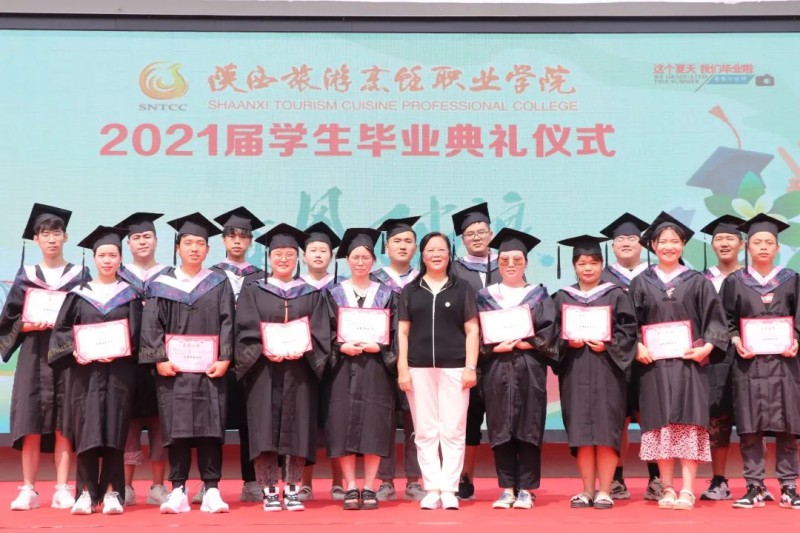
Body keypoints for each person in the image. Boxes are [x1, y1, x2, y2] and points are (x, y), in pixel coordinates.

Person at [629, 212, 728, 511]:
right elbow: (628, 323)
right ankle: (667, 488)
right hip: (654, 367)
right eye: (663, 241)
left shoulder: (697, 281)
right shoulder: (641, 282)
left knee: (688, 425)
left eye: (675, 241)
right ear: (653, 245)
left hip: (689, 366)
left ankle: (687, 489)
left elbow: (715, 319)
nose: (669, 246)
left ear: (683, 245)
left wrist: (706, 348)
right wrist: (637, 345)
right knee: (660, 426)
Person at [139, 213, 235, 514]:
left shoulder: (218, 283)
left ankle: (212, 489)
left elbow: (228, 322)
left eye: (200, 244)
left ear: (208, 249)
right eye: (189, 243)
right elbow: (151, 325)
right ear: (177, 247)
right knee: (176, 428)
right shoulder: (161, 285)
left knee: (211, 428)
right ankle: (178, 489)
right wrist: (159, 358)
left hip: (210, 370)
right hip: (174, 370)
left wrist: (225, 357)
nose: (194, 248)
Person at [234, 223, 331, 512]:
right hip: (264, 370)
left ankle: (292, 489)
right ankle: (268, 491)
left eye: (290, 254)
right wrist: (263, 348)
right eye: (278, 254)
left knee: (297, 428)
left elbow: (320, 332)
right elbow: (244, 329)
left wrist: (304, 350)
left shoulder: (310, 293)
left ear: (298, 258)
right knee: (264, 429)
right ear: (269, 257)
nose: (284, 259)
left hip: (299, 370)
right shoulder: (254, 291)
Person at [48, 226, 142, 515]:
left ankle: (112, 492)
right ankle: (86, 493)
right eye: (102, 255)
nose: (107, 260)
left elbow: (139, 334)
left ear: (120, 258)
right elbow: (61, 332)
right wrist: (75, 351)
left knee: (115, 430)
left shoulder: (129, 295)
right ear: (94, 258)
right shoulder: (79, 295)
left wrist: (123, 349)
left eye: (113, 255)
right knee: (87, 432)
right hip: (85, 375)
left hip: (118, 374)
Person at [1, 203, 86, 511]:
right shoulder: (26, 276)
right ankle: (28, 488)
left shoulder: (79, 275)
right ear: (35, 239)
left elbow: (88, 316)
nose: (51, 239)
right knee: (31, 420)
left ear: (66, 237)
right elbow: (8, 320)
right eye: (45, 234)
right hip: (34, 355)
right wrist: (25, 325)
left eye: (57, 233)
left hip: (66, 356)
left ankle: (63, 487)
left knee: (65, 422)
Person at [721, 214, 800, 509]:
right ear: (748, 247)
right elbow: (725, 320)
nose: (763, 247)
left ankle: (789, 486)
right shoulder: (735, 282)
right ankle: (754, 485)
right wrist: (736, 341)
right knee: (749, 425)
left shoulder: (791, 279)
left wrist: (797, 340)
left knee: (788, 425)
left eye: (769, 242)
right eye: (757, 242)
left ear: (778, 248)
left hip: (785, 365)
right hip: (749, 365)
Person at [397, 231, 480, 511]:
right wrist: (403, 368)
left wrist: (470, 367)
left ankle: (450, 488)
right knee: (425, 430)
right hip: (418, 368)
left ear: (449, 254)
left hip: (455, 367)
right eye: (430, 250)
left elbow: (472, 330)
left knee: (454, 429)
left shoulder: (463, 288)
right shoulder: (411, 290)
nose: (436, 254)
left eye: (441, 249)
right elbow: (403, 332)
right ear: (422, 255)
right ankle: (432, 487)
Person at [554, 235, 638, 510]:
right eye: (582, 263)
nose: (587, 268)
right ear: (574, 266)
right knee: (581, 431)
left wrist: (608, 345)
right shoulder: (563, 297)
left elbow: (629, 332)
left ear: (602, 264)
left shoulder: (616, 295)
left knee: (606, 430)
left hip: (607, 372)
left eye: (593, 262)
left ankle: (605, 490)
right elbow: (552, 333)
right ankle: (587, 490)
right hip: (575, 371)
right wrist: (567, 342)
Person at [478, 228, 557, 510]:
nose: (510, 265)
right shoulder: (484, 297)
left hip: (528, 368)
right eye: (504, 260)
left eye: (517, 260)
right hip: (496, 369)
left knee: (529, 426)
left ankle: (526, 489)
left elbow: (549, 331)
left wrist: (529, 343)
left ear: (526, 263)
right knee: (500, 427)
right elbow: (475, 334)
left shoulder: (538, 295)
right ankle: (507, 488)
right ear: (497, 263)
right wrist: (491, 348)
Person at [324, 228, 397, 511]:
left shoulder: (387, 295)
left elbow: (395, 333)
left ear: (373, 261)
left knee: (374, 426)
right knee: (342, 425)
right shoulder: (333, 293)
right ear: (347, 260)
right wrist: (340, 346)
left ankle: (369, 486)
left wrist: (380, 347)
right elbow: (323, 331)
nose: (360, 262)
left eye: (366, 257)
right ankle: (350, 486)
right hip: (343, 368)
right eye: (355, 257)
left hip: (376, 369)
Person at [598, 212, 663, 501]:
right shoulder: (601, 277)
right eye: (620, 239)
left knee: (651, 417)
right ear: (612, 245)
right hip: (613, 359)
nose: (626, 243)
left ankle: (656, 478)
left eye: (632, 238)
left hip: (652, 357)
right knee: (618, 418)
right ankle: (616, 478)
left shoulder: (657, 275)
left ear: (643, 243)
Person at [207, 206, 265, 505]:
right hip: (215, 358)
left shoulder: (261, 277)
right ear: (223, 240)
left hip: (251, 359)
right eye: (232, 236)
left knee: (249, 421)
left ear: (251, 241)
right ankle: (210, 485)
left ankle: (251, 481)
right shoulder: (210, 276)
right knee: (212, 423)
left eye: (243, 237)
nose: (238, 241)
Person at [113, 212, 171, 507]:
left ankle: (158, 486)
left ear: (156, 240)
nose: (142, 241)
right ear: (128, 244)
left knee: (161, 423)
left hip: (162, 360)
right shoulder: (119, 277)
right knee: (129, 423)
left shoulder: (171, 277)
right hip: (128, 361)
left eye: (147, 236)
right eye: (136, 237)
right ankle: (126, 486)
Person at [372, 217, 425, 502]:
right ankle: (385, 480)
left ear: (416, 248)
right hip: (380, 360)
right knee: (383, 420)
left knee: (416, 420)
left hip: (417, 358)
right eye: (397, 241)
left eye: (408, 241)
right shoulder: (374, 280)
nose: (403, 246)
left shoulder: (424, 280)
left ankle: (415, 479)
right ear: (386, 246)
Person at [450, 203, 497, 500]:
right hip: (465, 355)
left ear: (491, 234)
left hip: (501, 354)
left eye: (481, 231)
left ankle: (511, 480)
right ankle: (464, 475)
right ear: (462, 239)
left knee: (503, 418)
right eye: (470, 234)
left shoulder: (507, 263)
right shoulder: (454, 269)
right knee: (466, 420)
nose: (477, 237)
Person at [698, 215, 745, 501]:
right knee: (718, 416)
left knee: (754, 416)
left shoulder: (754, 279)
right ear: (712, 244)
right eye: (719, 239)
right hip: (715, 357)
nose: (724, 243)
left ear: (741, 244)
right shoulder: (701, 280)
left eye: (730, 238)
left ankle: (757, 481)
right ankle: (719, 479)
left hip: (750, 354)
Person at [297, 222, 344, 502]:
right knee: (305, 422)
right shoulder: (293, 288)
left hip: (337, 363)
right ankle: (305, 483)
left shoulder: (341, 288)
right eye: (313, 250)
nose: (318, 254)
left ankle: (338, 482)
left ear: (332, 255)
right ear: (304, 256)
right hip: (302, 364)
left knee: (336, 421)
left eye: (323, 250)